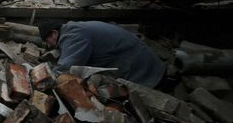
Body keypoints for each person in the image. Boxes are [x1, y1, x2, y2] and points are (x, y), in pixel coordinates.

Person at [37, 20, 165, 87]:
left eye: (47, 41)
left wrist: (43, 79)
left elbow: (67, 68)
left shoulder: (74, 35)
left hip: (138, 62)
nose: (49, 45)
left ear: (54, 33)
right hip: (135, 55)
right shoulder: (74, 29)